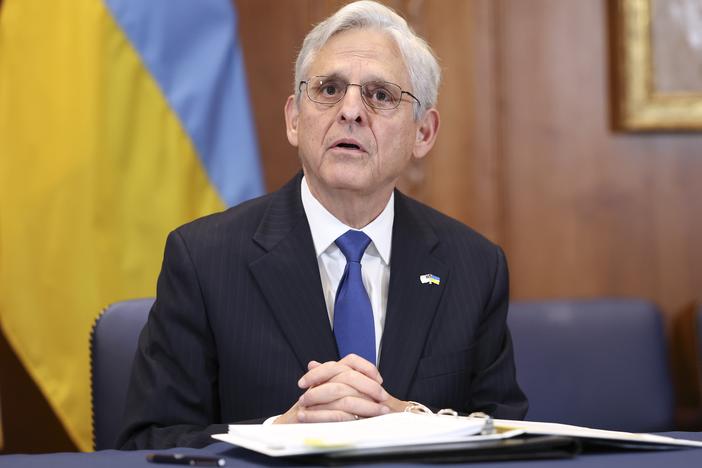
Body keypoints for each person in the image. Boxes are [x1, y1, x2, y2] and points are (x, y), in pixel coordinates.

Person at [118, 0, 527, 450]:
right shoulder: (203, 258)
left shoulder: (472, 266)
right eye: (329, 90)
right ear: (295, 118)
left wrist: (409, 419)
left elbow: (505, 439)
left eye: (381, 95)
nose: (350, 111)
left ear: (422, 134)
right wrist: (278, 433)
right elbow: (149, 442)